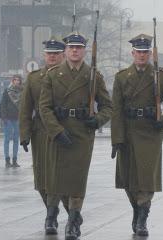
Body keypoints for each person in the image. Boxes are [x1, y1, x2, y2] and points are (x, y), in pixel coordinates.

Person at [39, 32, 112, 240]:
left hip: (81, 133)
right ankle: (53, 215)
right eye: (71, 47)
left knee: (77, 180)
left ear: (84, 51)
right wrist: (56, 131)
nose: (74, 51)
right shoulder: (53, 75)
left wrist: (97, 120)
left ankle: (73, 221)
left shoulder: (93, 76)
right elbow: (44, 107)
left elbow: (108, 106)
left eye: (78, 48)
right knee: (56, 178)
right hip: (59, 131)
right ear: (66, 50)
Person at [111, 34, 163, 236]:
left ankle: (142, 217)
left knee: (145, 177)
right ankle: (137, 209)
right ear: (132, 53)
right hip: (127, 131)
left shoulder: (160, 75)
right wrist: (116, 138)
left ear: (150, 53)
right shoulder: (122, 77)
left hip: (150, 132)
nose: (142, 55)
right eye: (139, 52)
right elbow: (116, 109)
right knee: (127, 178)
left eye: (145, 52)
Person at [19, 36, 69, 235]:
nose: (53, 57)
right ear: (44, 55)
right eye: (50, 54)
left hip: (61, 129)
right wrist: (24, 134)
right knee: (41, 177)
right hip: (40, 131)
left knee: (55, 174)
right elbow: (25, 109)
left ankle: (51, 214)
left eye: (56, 54)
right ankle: (51, 208)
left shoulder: (67, 76)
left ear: (62, 55)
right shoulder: (33, 78)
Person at [0, 74, 23, 168]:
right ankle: (7, 160)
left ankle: (15, 160)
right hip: (7, 118)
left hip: (17, 118)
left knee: (16, 139)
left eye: (18, 80)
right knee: (7, 139)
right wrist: (4, 117)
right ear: (12, 81)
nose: (17, 81)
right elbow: (3, 104)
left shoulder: (22, 91)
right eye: (15, 80)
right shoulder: (7, 91)